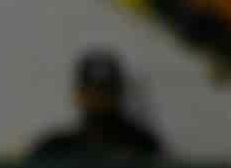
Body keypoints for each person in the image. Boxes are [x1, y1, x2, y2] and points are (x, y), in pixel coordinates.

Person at [28, 49, 163, 159]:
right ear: (78, 95)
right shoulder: (55, 149)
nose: (99, 99)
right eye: (92, 91)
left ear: (119, 93)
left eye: (106, 91)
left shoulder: (142, 146)